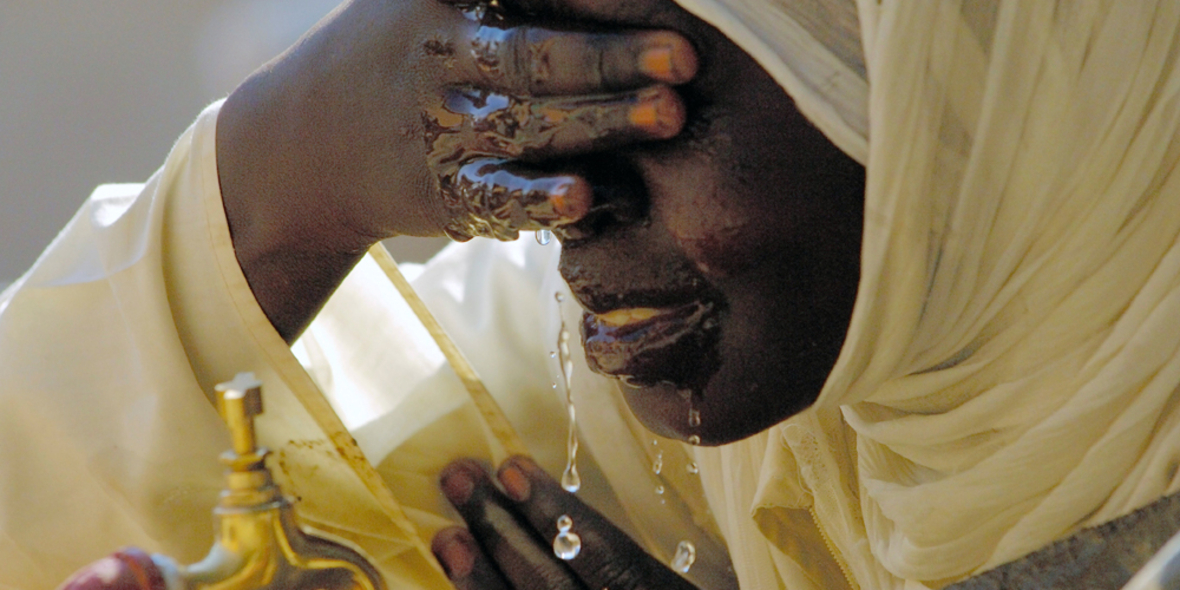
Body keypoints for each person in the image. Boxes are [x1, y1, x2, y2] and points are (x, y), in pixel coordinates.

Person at [4, 0, 1180, 589]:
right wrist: (280, 177)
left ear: (968, 98)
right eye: (511, 103)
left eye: (629, 97)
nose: (557, 197)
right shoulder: (744, 433)